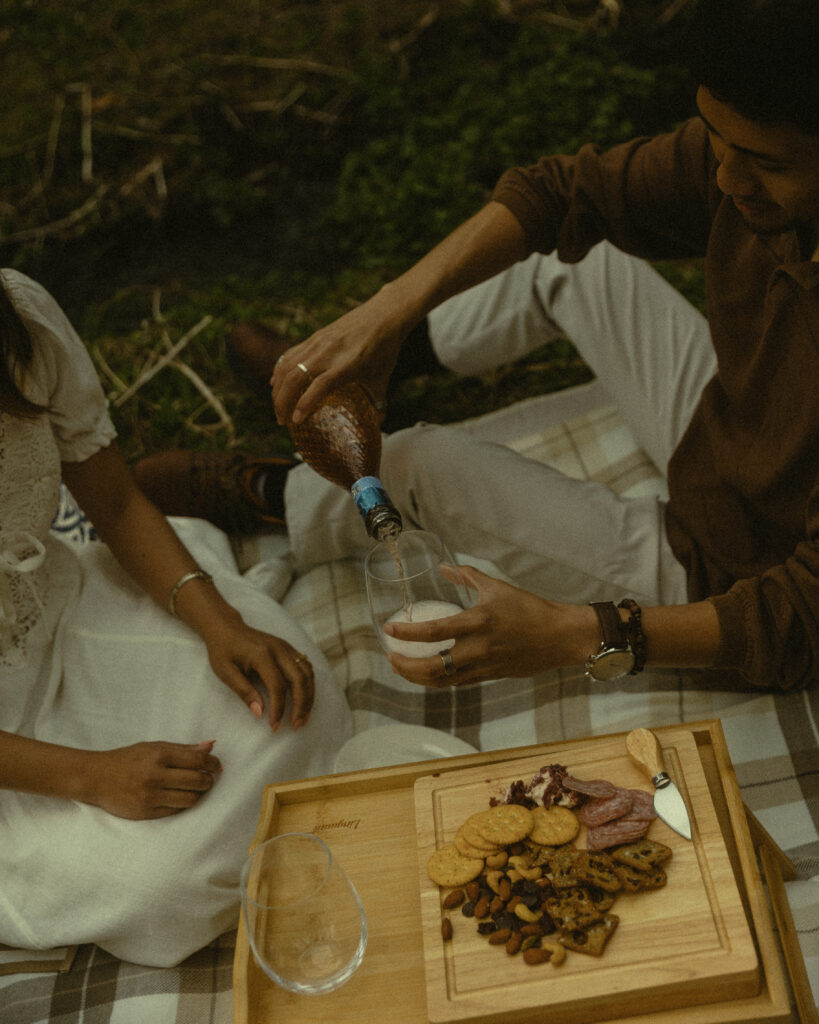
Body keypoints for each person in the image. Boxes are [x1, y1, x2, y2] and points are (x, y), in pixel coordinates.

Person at [137, 0, 819, 695]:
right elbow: (561, 195)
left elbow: (800, 618)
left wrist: (575, 632)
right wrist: (385, 315)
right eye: (715, 140)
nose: (726, 180)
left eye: (763, 162)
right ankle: (381, 364)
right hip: (736, 439)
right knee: (571, 260)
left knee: (412, 463)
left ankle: (281, 497)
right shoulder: (748, 157)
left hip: (730, 571)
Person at [0, 269, 353, 966]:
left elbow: (121, 506)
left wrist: (219, 624)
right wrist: (90, 776)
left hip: (60, 615)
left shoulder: (17, 318)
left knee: (285, 710)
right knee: (166, 888)